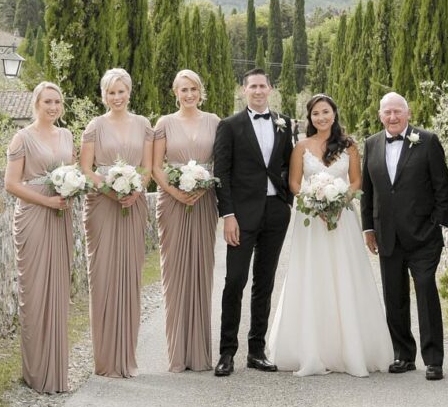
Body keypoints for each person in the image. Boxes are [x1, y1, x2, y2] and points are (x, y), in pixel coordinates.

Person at [267, 94, 394, 376]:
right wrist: (315, 202)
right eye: (315, 114)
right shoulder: (301, 147)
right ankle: (312, 350)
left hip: (342, 218)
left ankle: (350, 349)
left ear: (334, 114)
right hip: (311, 221)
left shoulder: (349, 146)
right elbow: (295, 183)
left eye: (325, 112)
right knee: (312, 276)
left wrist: (338, 202)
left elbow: (357, 181)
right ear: (310, 118)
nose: (321, 117)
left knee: (344, 275)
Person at [361, 92, 448, 378]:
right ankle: (403, 355)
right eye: (387, 112)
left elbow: (442, 188)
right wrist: (368, 227)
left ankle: (433, 359)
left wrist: (435, 224)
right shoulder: (371, 144)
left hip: (423, 236)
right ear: (380, 116)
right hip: (387, 235)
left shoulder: (428, 141)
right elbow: (368, 191)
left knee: (425, 291)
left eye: (398, 111)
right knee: (394, 296)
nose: (393, 117)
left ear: (408, 113)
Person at [213, 68, 293, 377]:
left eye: (263, 85)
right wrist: (228, 215)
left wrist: (286, 200)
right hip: (241, 215)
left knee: (265, 281)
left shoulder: (284, 124)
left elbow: (288, 163)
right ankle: (227, 352)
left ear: (271, 89)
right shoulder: (229, 126)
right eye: (252, 86)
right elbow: (222, 173)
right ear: (244, 90)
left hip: (276, 212)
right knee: (235, 281)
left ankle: (256, 350)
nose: (258, 91)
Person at [80, 67, 154, 378]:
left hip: (134, 204)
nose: (117, 97)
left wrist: (136, 189)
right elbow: (85, 169)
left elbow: (148, 168)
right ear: (104, 95)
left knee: (130, 275)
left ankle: (126, 357)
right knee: (104, 276)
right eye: (111, 92)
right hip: (102, 205)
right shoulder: (94, 127)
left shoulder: (144, 125)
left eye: (121, 91)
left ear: (129, 91)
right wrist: (109, 189)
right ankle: (106, 360)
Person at [4, 81, 75, 393]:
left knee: (58, 289)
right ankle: (34, 373)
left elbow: (73, 173)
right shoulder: (22, 137)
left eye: (57, 102)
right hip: (34, 216)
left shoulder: (67, 135)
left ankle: (57, 372)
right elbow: (11, 184)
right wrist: (46, 200)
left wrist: (72, 189)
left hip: (61, 217)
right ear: (36, 104)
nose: (53, 107)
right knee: (34, 292)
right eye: (47, 101)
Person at [152, 69, 220, 372]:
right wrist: (175, 192)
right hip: (172, 202)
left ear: (201, 91)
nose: (189, 94)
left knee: (202, 272)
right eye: (183, 90)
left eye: (193, 88)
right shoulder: (164, 123)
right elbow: (155, 166)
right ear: (175, 92)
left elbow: (220, 162)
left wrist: (205, 185)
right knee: (175, 272)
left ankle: (200, 353)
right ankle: (178, 353)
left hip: (204, 201)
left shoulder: (215, 121)